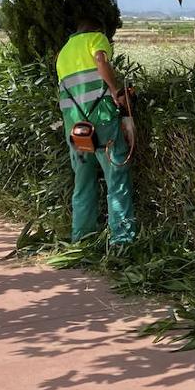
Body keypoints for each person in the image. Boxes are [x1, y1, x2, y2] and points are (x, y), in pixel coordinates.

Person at [56, 18, 137, 245]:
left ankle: (82, 238)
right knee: (117, 179)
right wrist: (115, 91)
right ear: (99, 30)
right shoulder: (96, 38)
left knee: (83, 183)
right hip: (102, 120)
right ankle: (122, 241)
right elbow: (101, 60)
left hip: (76, 129)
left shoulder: (63, 53)